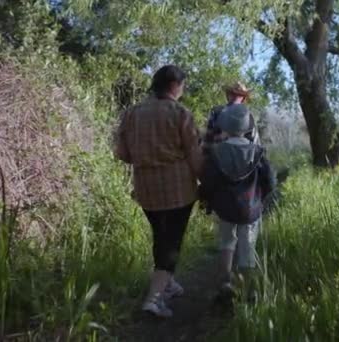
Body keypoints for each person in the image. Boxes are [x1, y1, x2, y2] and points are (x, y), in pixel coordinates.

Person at [113, 65, 202, 318]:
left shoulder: (132, 113)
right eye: (182, 86)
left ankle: (167, 283)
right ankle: (153, 300)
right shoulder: (180, 113)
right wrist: (206, 182)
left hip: (146, 189)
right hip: (178, 190)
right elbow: (195, 155)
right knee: (170, 244)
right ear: (175, 86)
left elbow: (122, 153)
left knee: (160, 236)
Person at [198, 104, 276, 300]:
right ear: (248, 128)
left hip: (225, 209)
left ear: (223, 127)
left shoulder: (216, 152)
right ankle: (246, 288)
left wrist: (206, 200)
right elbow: (270, 181)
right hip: (251, 208)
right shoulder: (258, 152)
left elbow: (208, 181)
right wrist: (261, 197)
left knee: (226, 242)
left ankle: (225, 282)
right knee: (247, 247)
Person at [202, 82, 258, 154]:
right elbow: (208, 137)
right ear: (228, 95)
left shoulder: (249, 117)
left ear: (243, 98)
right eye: (233, 93)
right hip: (217, 155)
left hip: (241, 156)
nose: (236, 97)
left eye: (240, 95)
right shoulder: (217, 112)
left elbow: (253, 142)